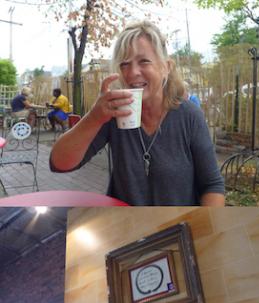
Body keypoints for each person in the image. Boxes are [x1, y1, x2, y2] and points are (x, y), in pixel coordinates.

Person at [49, 21, 225, 206]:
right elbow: (60, 163)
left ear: (166, 67)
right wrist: (94, 118)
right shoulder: (113, 114)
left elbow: (212, 186)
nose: (132, 73)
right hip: (125, 226)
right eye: (124, 64)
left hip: (177, 225)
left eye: (144, 61)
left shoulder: (189, 115)